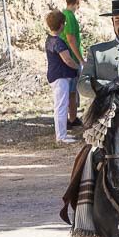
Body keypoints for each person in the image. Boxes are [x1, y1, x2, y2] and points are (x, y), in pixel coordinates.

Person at [45, 10, 80, 145]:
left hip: (55, 75)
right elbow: (67, 60)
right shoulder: (58, 42)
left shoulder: (49, 40)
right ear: (60, 25)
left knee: (60, 105)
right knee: (61, 106)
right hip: (60, 76)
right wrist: (78, 67)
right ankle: (61, 136)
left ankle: (62, 134)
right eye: (64, 23)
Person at [62, 0, 85, 128]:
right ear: (77, 2)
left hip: (71, 58)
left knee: (72, 90)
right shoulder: (69, 17)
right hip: (72, 59)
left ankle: (71, 116)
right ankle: (71, 118)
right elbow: (71, 40)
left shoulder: (66, 15)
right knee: (71, 90)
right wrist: (80, 59)